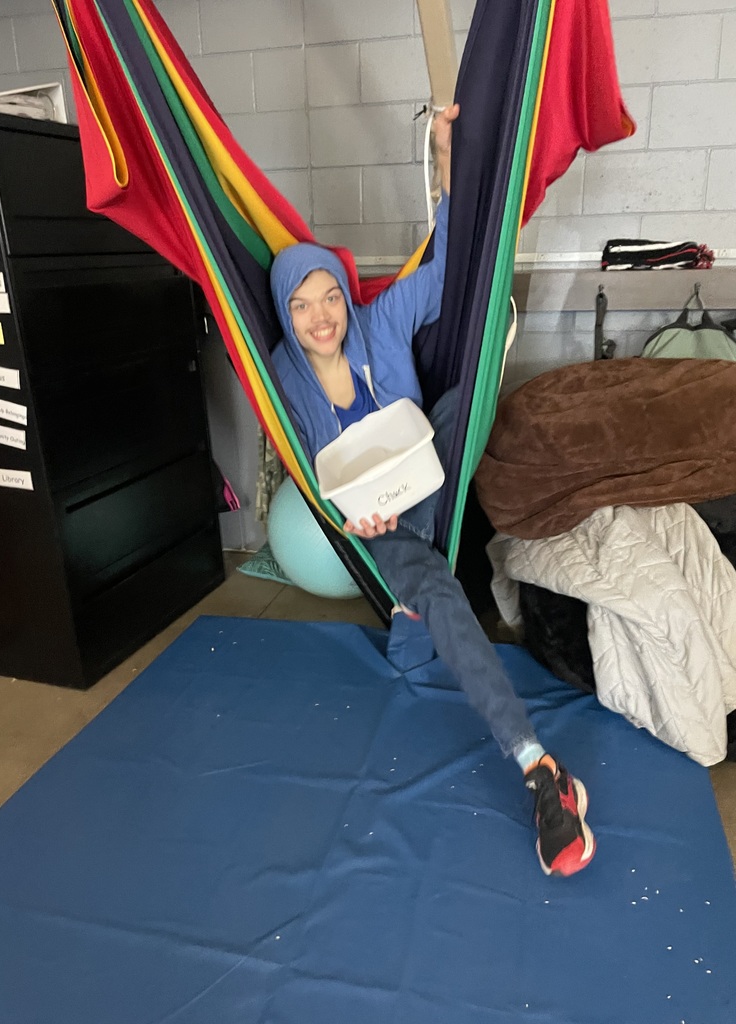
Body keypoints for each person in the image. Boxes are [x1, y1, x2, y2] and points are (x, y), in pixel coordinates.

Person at [269, 105, 595, 878]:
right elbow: (315, 477)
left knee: (458, 399)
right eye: (301, 303)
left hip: (433, 481)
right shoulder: (282, 375)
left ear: (345, 297)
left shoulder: (378, 326)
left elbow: (453, 270)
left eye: (328, 296)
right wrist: (356, 526)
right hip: (381, 529)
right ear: (286, 315)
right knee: (440, 601)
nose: (321, 316)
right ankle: (540, 770)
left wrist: (448, 152)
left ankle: (434, 592)